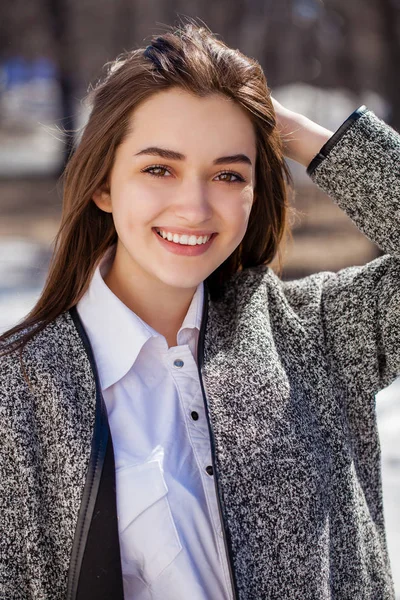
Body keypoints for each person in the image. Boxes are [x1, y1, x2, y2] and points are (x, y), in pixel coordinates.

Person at [0, 20, 398, 600]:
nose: (194, 205)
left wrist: (290, 130)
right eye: (159, 168)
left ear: (255, 192)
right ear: (103, 186)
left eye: (228, 173)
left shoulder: (316, 336)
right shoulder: (18, 394)